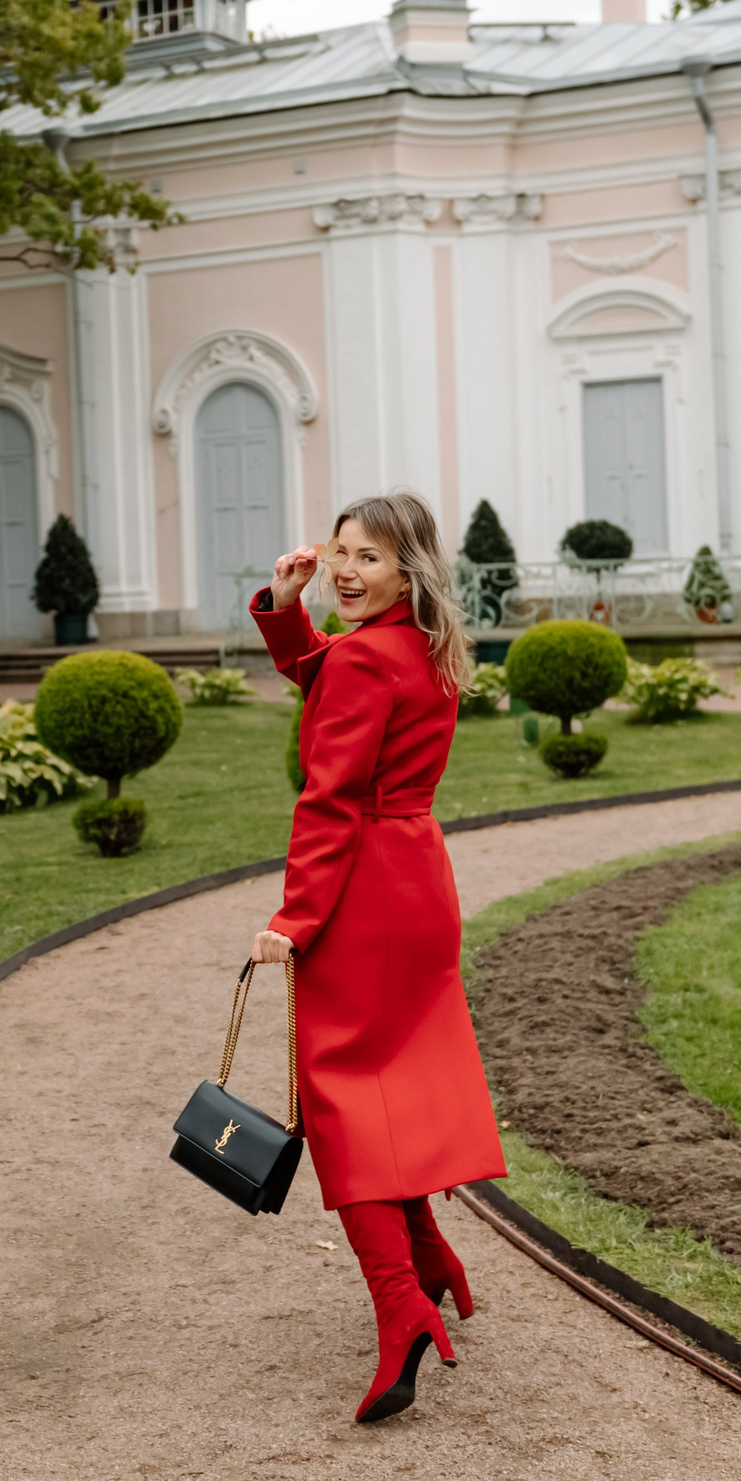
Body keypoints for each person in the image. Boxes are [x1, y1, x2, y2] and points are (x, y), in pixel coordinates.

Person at [248, 492, 506, 1424]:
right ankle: (430, 1254)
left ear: (407, 571)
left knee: (342, 1098)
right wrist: (288, 611)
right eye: (340, 552)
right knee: (387, 1085)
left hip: (360, 894)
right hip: (417, 880)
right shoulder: (419, 648)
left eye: (368, 558)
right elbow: (334, 677)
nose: (346, 570)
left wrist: (295, 918)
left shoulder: (365, 659)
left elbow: (327, 800)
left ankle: (401, 1306)